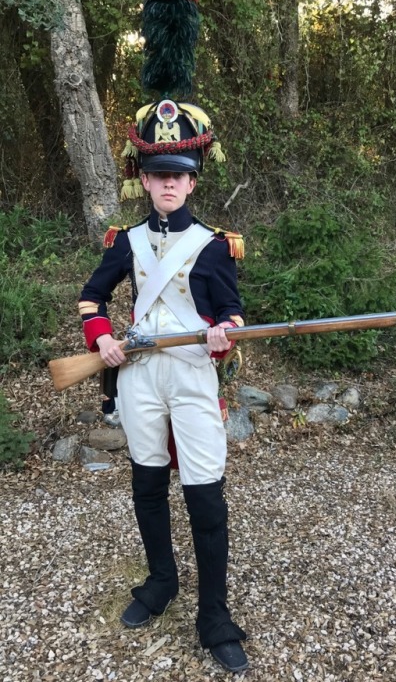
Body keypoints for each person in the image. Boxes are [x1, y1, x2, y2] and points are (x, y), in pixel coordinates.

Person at [78, 93, 248, 673]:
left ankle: (215, 615)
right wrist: (101, 339)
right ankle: (160, 580)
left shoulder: (213, 244)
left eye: (179, 176)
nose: (169, 184)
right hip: (139, 376)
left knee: (205, 491)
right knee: (147, 482)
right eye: (158, 175)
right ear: (144, 181)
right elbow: (91, 299)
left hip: (193, 374)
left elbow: (231, 311)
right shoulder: (123, 241)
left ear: (192, 183)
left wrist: (224, 332)